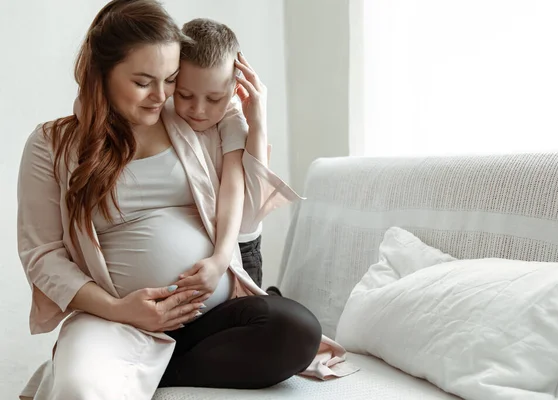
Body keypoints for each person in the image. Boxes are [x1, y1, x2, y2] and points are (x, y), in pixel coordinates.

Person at [17, 1, 353, 399]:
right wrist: (120, 309)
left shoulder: (194, 120)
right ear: (101, 74)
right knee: (78, 389)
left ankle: (147, 373)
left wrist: (256, 121)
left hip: (210, 315)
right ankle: (101, 365)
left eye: (170, 79)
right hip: (117, 320)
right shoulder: (52, 145)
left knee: (296, 330)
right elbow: (42, 256)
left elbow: (248, 216)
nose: (161, 97)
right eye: (143, 82)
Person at [173, 17, 280, 292]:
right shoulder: (166, 114)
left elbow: (235, 187)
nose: (198, 110)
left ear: (234, 89)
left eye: (213, 99)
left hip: (240, 247)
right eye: (185, 95)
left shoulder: (232, 117)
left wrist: (221, 259)